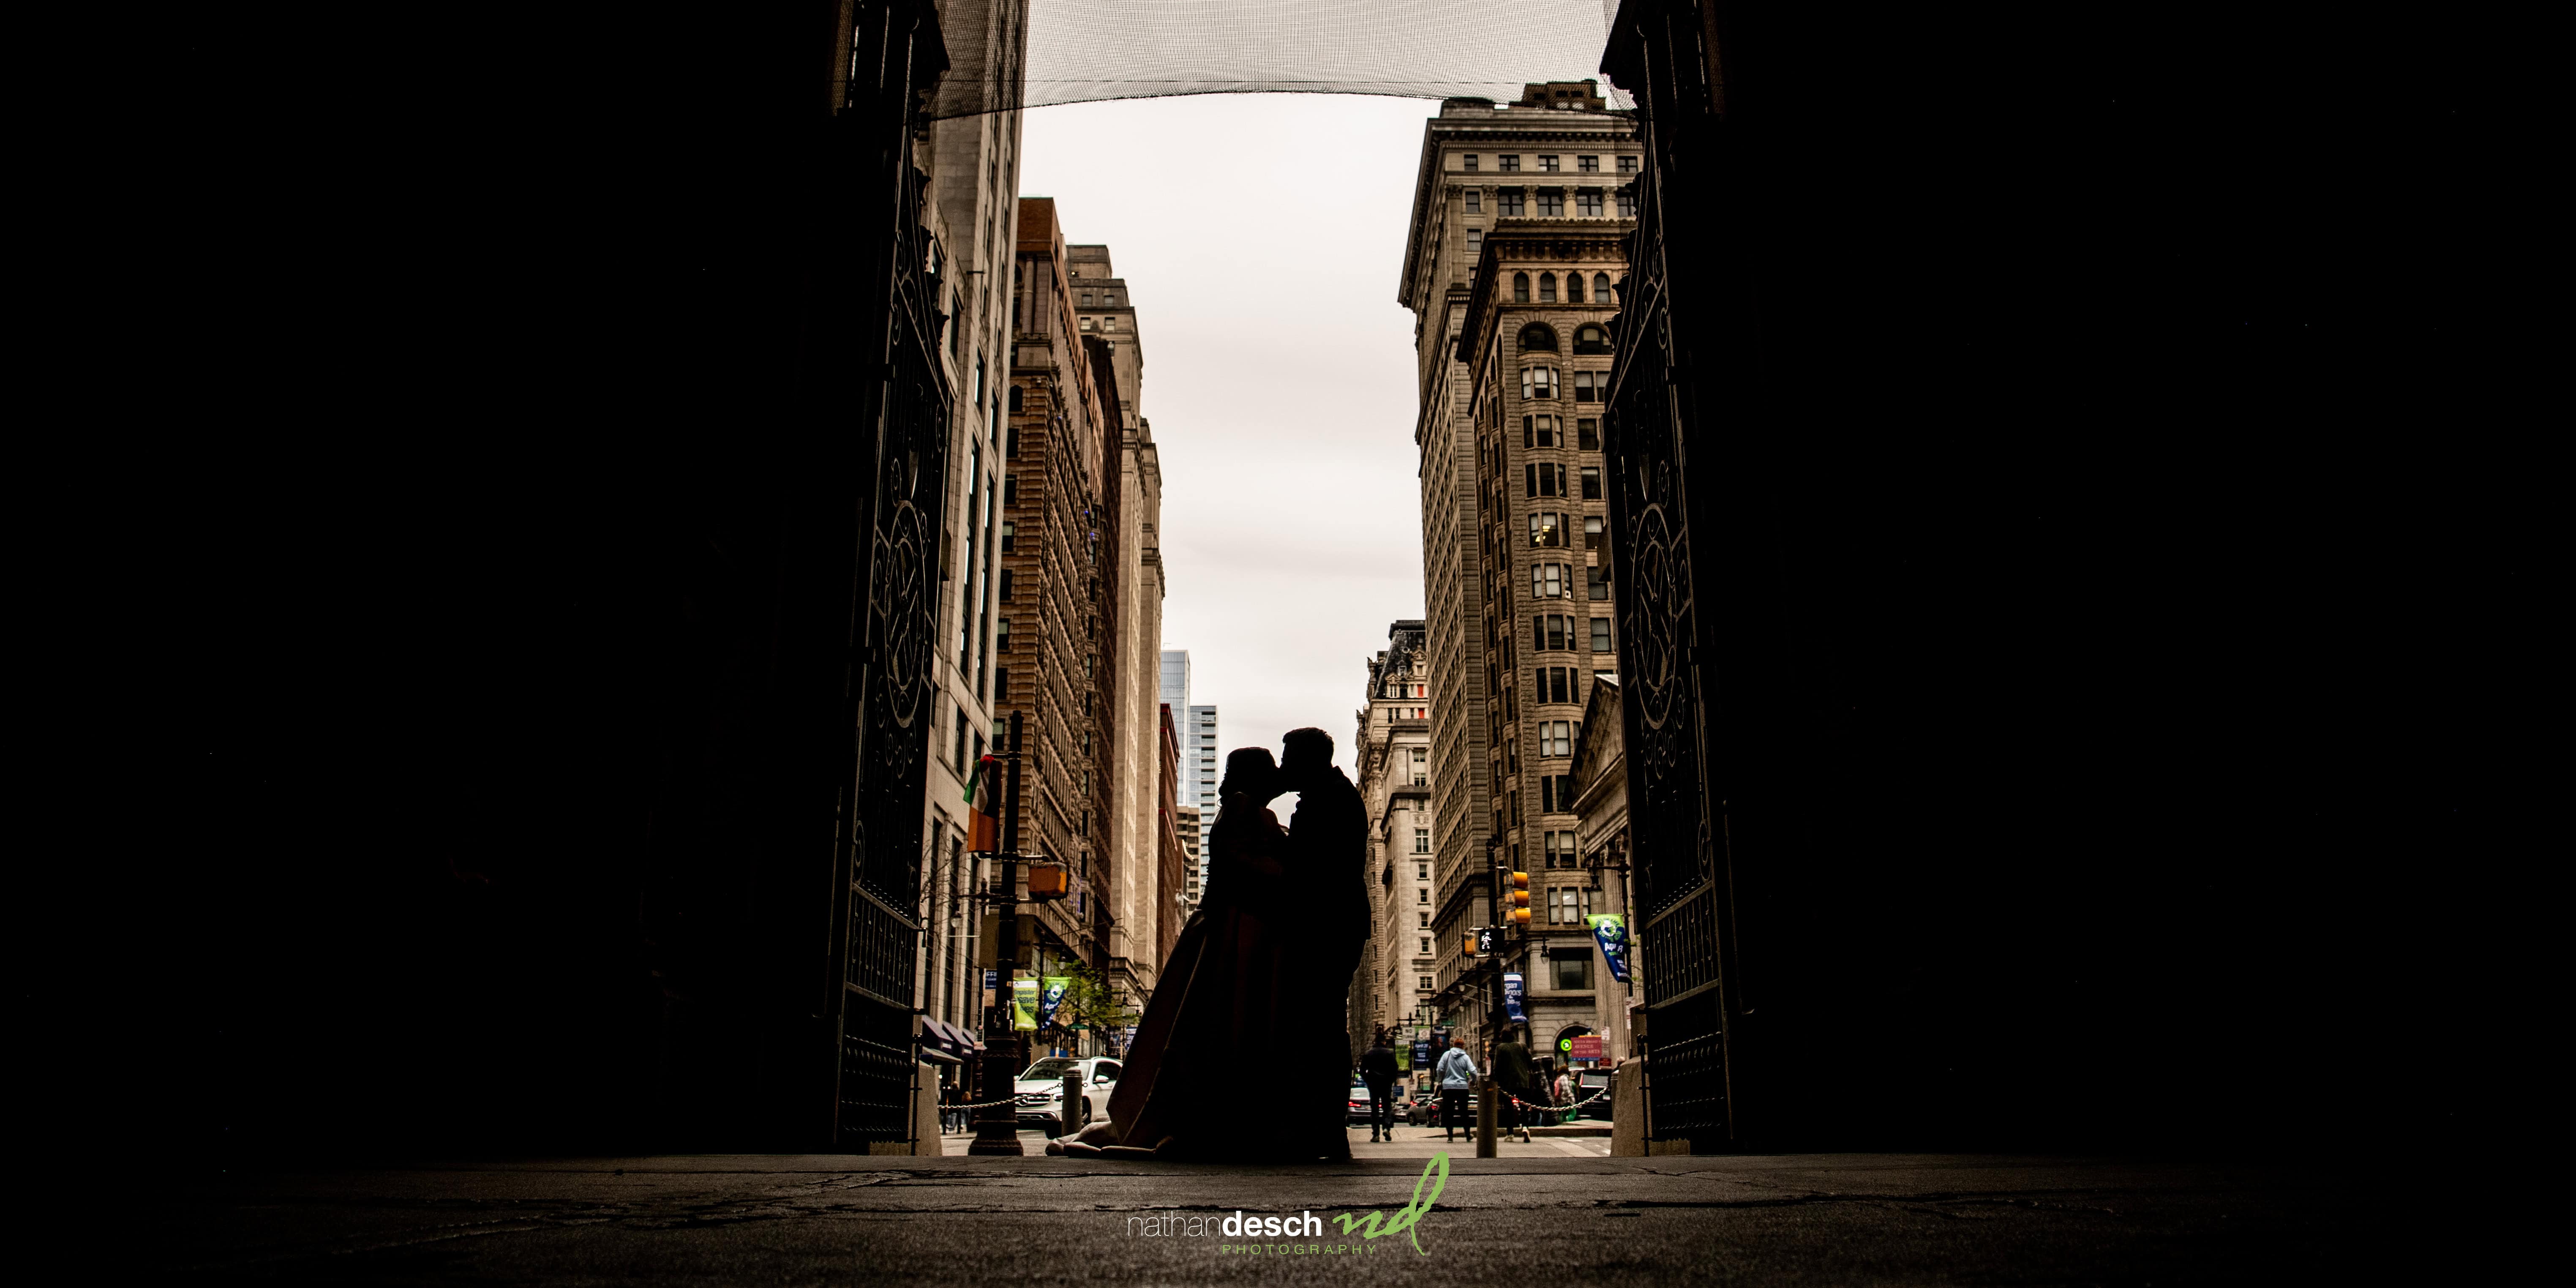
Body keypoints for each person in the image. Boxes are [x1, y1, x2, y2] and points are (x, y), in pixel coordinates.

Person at [1056, 748, 1304, 1159]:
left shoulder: (1239, 808)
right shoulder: (1244, 808)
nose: (1276, 776)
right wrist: (1287, 869)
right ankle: (1195, 1123)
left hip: (1230, 926)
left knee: (1202, 1026)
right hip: (1235, 929)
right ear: (1254, 777)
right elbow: (1235, 859)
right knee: (1223, 1026)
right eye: (1269, 771)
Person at [1279, 727, 1369, 1159]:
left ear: (1307, 759)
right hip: (1335, 924)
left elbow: (1306, 868)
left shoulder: (1329, 799)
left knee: (1318, 1028)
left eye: (1287, 758)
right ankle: (1323, 1127)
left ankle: (1325, 1128)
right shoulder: (1332, 792)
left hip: (1327, 926)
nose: (1282, 767)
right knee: (1321, 1026)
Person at [1491, 1027, 1538, 1143]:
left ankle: (1510, 1133)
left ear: (1503, 1037)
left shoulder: (1500, 1048)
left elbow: (1497, 1067)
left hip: (1507, 1083)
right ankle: (1525, 1128)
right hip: (1523, 1081)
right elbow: (1531, 1063)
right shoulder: (1522, 1046)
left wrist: (1497, 1079)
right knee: (1524, 1107)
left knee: (1508, 1109)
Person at [1360, 1028, 1400, 1142]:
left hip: (1373, 1083)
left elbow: (1363, 1071)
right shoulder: (1389, 1053)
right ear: (1384, 1042)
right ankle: (1387, 1127)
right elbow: (1395, 1069)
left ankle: (1376, 1134)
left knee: (1375, 1109)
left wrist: (1368, 1080)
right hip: (1386, 1083)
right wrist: (1391, 1080)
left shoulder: (1369, 1054)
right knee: (1387, 1107)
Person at [1435, 1037, 1477, 1142]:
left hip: (1448, 1087)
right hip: (1462, 1088)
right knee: (1464, 1112)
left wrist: (1441, 1080)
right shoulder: (1466, 1057)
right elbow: (1473, 1071)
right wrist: (1473, 1081)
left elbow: (1439, 1069)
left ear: (1453, 1045)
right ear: (1463, 1046)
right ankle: (1468, 1134)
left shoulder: (1447, 1055)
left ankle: (1450, 1136)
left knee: (1449, 1112)